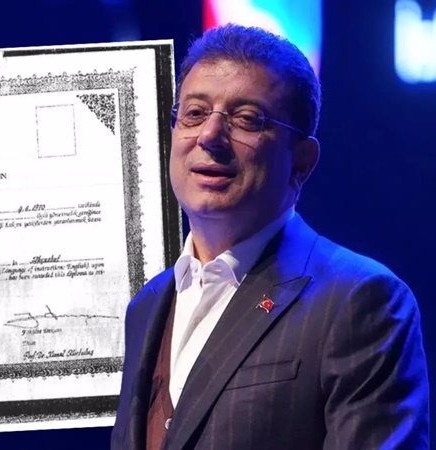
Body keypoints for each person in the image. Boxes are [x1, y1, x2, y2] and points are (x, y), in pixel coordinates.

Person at [110, 24, 429, 450]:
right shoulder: (146, 306)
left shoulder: (359, 301)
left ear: (301, 162)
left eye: (247, 119)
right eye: (195, 113)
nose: (209, 135)